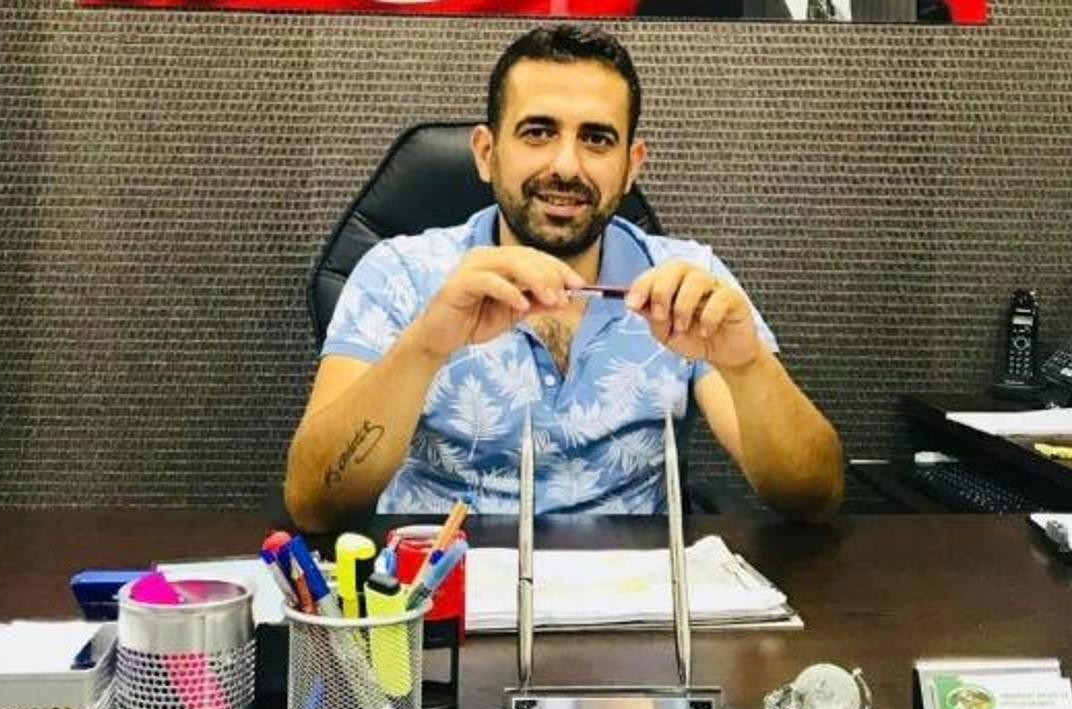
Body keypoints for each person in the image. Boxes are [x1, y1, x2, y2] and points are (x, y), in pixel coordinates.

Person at [284, 24, 844, 531]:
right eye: (537, 132)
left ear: (631, 165)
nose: (567, 167)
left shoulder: (689, 284)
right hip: (446, 587)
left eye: (597, 139)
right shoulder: (400, 273)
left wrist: (746, 366)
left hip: (632, 592)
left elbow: (813, 498)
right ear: (486, 153)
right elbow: (314, 503)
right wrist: (425, 345)